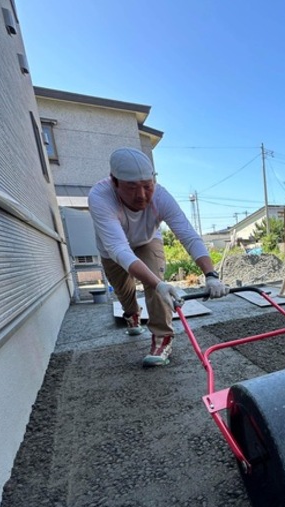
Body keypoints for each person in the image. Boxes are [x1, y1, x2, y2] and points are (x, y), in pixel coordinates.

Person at [88, 147, 229, 367]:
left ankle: (162, 338)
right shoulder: (100, 197)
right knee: (124, 290)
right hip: (112, 250)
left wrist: (211, 275)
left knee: (155, 281)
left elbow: (188, 235)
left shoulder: (161, 196)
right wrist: (159, 285)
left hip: (147, 239)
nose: (142, 195)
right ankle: (132, 313)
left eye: (147, 186)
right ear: (114, 182)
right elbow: (119, 249)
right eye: (132, 187)